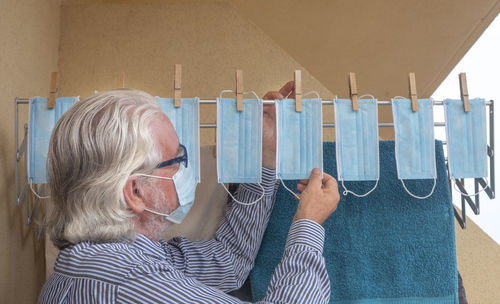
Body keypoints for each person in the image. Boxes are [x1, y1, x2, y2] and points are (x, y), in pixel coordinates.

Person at [38, 82, 340, 303]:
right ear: (136, 192)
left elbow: (228, 261)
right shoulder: (131, 283)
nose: (186, 167)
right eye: (176, 160)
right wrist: (308, 225)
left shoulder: (103, 261)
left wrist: (265, 158)